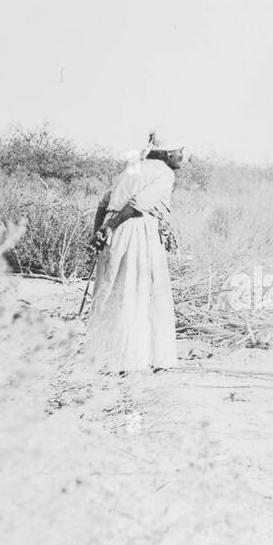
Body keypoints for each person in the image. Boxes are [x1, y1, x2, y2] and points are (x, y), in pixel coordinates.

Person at [80, 129, 187, 374]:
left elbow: (103, 203)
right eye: (180, 152)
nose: (182, 156)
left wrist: (99, 232)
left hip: (115, 231)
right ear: (169, 153)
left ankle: (108, 358)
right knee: (138, 290)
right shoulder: (164, 173)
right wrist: (109, 227)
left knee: (113, 291)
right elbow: (137, 205)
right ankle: (135, 360)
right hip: (137, 231)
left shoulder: (134, 167)